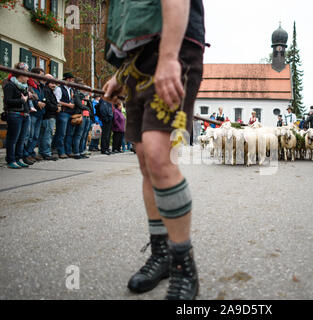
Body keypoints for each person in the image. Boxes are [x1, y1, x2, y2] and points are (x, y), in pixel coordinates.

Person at [102, 0, 205, 300]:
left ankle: (183, 265)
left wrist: (170, 55)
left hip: (173, 45)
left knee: (160, 157)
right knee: (146, 161)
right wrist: (119, 74)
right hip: (135, 63)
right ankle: (161, 254)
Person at [3, 62, 31, 169]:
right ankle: (11, 159)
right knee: (12, 139)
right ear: (20, 74)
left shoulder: (24, 87)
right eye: (26, 74)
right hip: (15, 114)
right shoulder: (10, 85)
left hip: (24, 115)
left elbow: (26, 102)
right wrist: (21, 100)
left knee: (21, 139)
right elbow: (7, 100)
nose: (28, 77)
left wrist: (27, 109)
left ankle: (19, 158)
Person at [23, 68, 46, 164]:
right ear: (35, 75)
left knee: (36, 136)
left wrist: (43, 103)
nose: (42, 77)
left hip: (40, 113)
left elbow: (42, 97)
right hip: (33, 113)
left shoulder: (40, 86)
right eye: (41, 74)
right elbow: (30, 97)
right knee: (29, 135)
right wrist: (37, 103)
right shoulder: (30, 85)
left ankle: (31, 152)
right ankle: (26, 154)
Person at [54, 72, 76, 159]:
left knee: (69, 133)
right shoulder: (59, 89)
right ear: (67, 79)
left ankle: (68, 151)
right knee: (61, 133)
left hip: (70, 113)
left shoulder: (70, 90)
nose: (72, 82)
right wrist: (68, 105)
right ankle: (61, 151)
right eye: (71, 80)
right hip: (63, 112)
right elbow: (57, 101)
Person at [38, 74, 59, 161]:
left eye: (55, 83)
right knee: (47, 135)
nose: (54, 85)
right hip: (48, 116)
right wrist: (57, 108)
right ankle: (46, 152)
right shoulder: (46, 91)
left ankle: (44, 152)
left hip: (50, 115)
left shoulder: (49, 91)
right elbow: (48, 103)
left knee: (46, 134)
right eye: (52, 83)